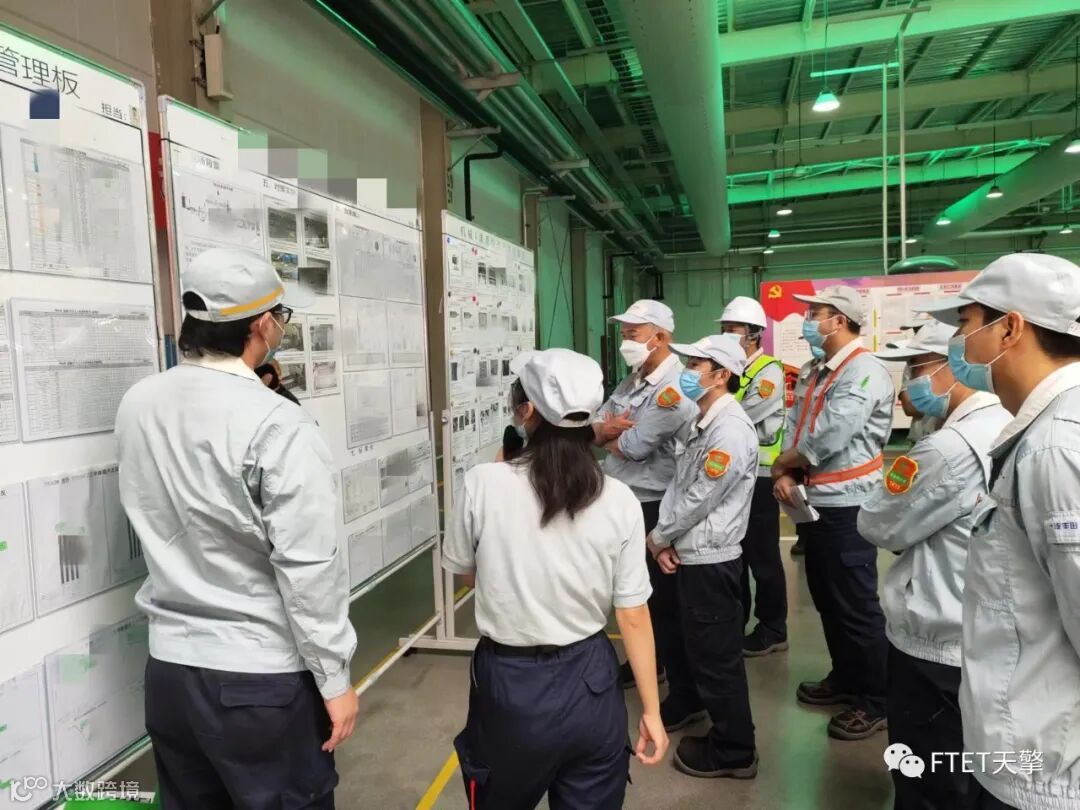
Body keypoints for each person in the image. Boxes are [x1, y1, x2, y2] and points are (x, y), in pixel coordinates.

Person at [115, 247, 358, 808]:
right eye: (280, 317)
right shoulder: (278, 422)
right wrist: (334, 679)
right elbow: (308, 566)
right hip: (258, 680)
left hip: (171, 672)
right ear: (262, 325)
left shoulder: (139, 402)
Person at [443, 348, 668, 808]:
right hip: (592, 684)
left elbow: (467, 576)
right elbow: (633, 615)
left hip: (510, 685)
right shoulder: (619, 498)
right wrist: (651, 711)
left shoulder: (482, 483)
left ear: (526, 411)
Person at [921, 253, 1080, 810]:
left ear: (1010, 328)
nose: (958, 345)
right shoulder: (1044, 430)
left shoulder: (1057, 446)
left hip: (1048, 770)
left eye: (966, 325)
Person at [858, 321, 1010, 810]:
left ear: (954, 365)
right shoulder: (1005, 421)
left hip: (936, 645)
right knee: (964, 771)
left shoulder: (949, 448)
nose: (911, 381)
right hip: (981, 633)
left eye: (917, 367)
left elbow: (878, 522)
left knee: (926, 777)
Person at [771, 285, 894, 741]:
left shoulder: (864, 371)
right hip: (814, 500)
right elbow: (796, 423)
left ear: (839, 320)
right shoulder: (816, 370)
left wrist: (784, 464)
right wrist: (789, 471)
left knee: (856, 605)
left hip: (848, 504)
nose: (808, 322)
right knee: (828, 599)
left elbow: (832, 432)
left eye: (815, 314)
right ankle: (847, 677)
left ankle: (877, 699)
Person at [648, 335, 759, 780]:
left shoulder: (729, 430)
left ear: (721, 375)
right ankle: (701, 711)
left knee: (718, 659)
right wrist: (669, 541)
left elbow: (701, 497)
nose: (687, 371)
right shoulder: (704, 420)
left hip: (712, 560)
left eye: (696, 364)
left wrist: (659, 537)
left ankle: (735, 750)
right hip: (692, 551)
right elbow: (682, 488)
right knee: (700, 649)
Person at [593, 299, 698, 689]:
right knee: (632, 592)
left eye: (633, 334)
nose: (626, 342)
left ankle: (675, 678)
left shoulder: (674, 387)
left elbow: (634, 446)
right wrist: (605, 432)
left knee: (660, 599)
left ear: (661, 337)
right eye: (624, 334)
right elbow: (598, 420)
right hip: (624, 498)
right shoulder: (634, 379)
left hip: (653, 503)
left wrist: (607, 434)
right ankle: (646, 664)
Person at [716, 297, 788, 657]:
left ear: (755, 334)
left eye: (734, 329)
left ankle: (773, 628)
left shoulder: (768, 372)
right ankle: (737, 621)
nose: (727, 334)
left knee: (763, 557)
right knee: (736, 554)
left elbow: (738, 414)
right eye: (724, 329)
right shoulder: (729, 370)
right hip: (733, 473)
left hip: (759, 476)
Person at [785, 338, 825, 558]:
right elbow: (796, 411)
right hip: (800, 445)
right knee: (799, 495)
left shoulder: (840, 371)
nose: (812, 345)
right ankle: (803, 535)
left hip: (821, 444)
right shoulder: (807, 370)